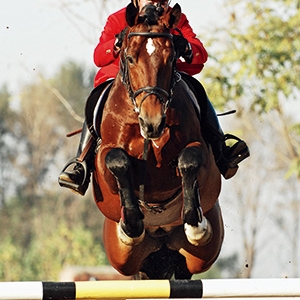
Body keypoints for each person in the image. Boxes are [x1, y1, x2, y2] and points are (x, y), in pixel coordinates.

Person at [58, 0, 249, 196]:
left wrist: (186, 47)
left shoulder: (176, 20)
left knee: (196, 90)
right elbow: (99, 57)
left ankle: (221, 149)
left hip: (165, 79)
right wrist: (117, 41)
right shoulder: (118, 19)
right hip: (124, 80)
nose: (157, 2)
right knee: (97, 98)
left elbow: (200, 54)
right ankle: (81, 162)